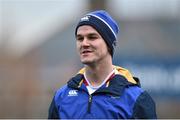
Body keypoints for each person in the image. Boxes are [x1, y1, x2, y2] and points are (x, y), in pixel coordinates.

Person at [48, 10, 157, 119]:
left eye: (92, 37)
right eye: (80, 38)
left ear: (109, 44)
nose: (84, 43)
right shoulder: (61, 97)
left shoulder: (136, 98)